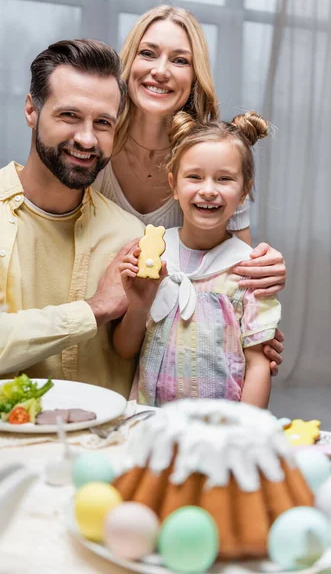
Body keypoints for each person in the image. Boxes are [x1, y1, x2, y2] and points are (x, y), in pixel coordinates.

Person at [0, 5, 285, 371]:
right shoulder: (89, 150)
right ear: (127, 64)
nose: (161, 70)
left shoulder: (208, 158)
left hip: (156, 348)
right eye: (148, 53)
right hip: (110, 328)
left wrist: (254, 325)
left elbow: (234, 277)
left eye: (180, 60)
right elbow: (42, 176)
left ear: (195, 76)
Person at [0, 39, 146, 398]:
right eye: (69, 115)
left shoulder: (131, 235)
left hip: (104, 448)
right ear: (31, 110)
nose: (86, 138)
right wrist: (95, 309)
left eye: (103, 123)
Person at [113, 111, 281, 408]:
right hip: (151, 421)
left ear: (243, 193)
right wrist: (138, 306)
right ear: (173, 185)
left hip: (219, 429)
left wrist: (245, 431)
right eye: (194, 176)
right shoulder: (153, 253)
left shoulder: (250, 270)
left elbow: (258, 365)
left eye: (224, 178)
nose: (208, 190)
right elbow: (125, 350)